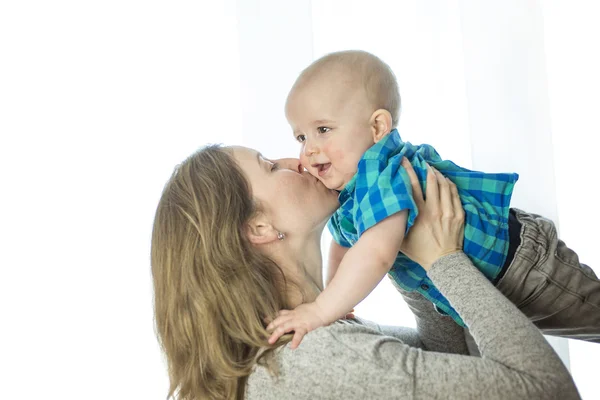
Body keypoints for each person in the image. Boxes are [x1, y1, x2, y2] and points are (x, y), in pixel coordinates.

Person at [151, 144, 579, 399]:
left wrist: (404, 249)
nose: (297, 159)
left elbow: (452, 365)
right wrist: (445, 262)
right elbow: (546, 389)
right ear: (258, 228)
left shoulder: (302, 349)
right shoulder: (316, 358)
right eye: (268, 165)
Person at [268, 50, 600, 347]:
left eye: (323, 130)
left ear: (377, 127)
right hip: (471, 292)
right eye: (300, 136)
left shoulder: (385, 172)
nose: (308, 150)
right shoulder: (347, 193)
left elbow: (376, 252)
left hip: (524, 265)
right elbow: (342, 245)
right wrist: (334, 295)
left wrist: (322, 310)